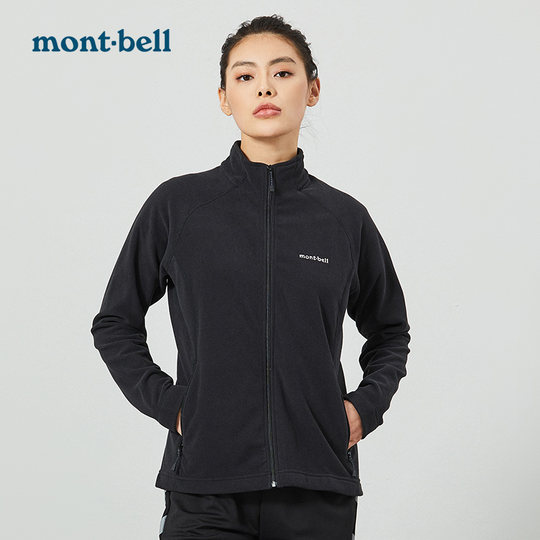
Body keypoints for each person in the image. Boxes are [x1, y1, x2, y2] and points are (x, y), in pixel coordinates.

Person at [90, 14, 411, 540]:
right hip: (206, 488)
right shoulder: (178, 206)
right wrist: (174, 406)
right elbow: (115, 323)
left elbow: (390, 330)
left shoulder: (344, 219)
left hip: (316, 487)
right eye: (245, 76)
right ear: (224, 98)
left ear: (312, 89)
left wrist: (363, 408)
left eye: (282, 73)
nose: (264, 87)